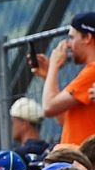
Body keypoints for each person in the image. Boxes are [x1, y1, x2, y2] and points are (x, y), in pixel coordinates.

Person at [35, 12, 95, 144]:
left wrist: (54, 65)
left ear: (87, 38)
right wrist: (47, 76)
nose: (68, 44)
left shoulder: (92, 71)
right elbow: (64, 120)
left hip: (83, 154)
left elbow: (48, 107)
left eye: (72, 37)